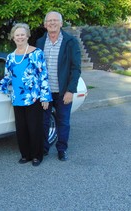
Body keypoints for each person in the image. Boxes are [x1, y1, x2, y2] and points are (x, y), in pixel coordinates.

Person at [0, 23, 52, 166]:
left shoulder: (36, 53)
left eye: (22, 34)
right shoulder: (10, 57)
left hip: (33, 97)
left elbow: (43, 76)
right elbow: (8, 77)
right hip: (17, 98)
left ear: (27, 36)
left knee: (34, 128)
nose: (20, 37)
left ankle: (37, 156)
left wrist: (45, 97)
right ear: (13, 38)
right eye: (17, 35)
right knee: (21, 128)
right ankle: (25, 155)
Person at [36, 11, 81, 161]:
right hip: (45, 92)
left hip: (63, 92)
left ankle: (62, 149)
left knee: (63, 122)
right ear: (45, 24)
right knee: (43, 121)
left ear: (61, 23)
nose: (52, 23)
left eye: (55, 20)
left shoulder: (70, 42)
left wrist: (70, 90)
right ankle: (43, 149)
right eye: (49, 21)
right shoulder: (40, 42)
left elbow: (76, 68)